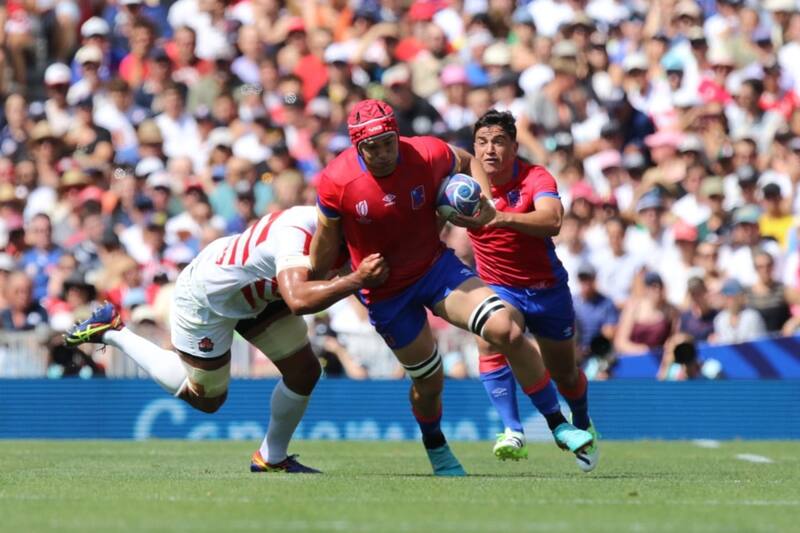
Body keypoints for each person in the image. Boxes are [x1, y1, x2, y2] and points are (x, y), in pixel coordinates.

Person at [311, 100, 592, 477]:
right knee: (429, 383)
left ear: (397, 134)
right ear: (356, 147)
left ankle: (558, 424)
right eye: (371, 148)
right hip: (386, 291)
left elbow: (466, 161)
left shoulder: (426, 151)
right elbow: (324, 248)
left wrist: (485, 201)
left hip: (435, 269)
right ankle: (436, 445)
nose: (381, 154)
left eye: (388, 143)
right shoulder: (336, 180)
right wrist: (344, 273)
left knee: (503, 328)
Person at [64, 205, 388, 474]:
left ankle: (271, 458)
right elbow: (301, 299)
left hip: (258, 293)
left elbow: (358, 284)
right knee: (207, 400)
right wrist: (356, 279)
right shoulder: (297, 233)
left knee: (304, 371)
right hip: (209, 296)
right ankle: (113, 331)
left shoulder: (338, 232)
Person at [467, 110, 600, 472]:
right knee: (492, 334)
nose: (489, 150)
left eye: (498, 141)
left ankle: (583, 421)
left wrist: (500, 217)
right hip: (499, 287)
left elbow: (553, 221)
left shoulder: (534, 177)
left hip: (546, 290)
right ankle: (512, 430)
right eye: (481, 142)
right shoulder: (463, 186)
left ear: (513, 146)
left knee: (566, 375)